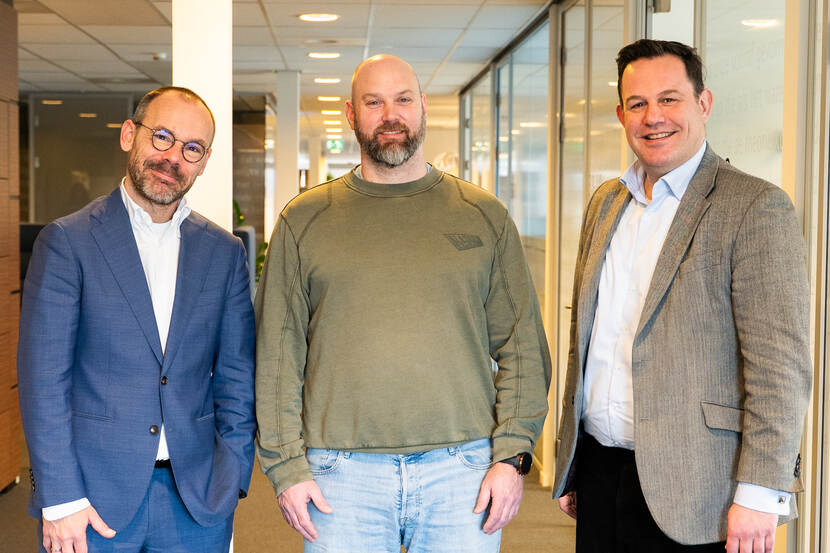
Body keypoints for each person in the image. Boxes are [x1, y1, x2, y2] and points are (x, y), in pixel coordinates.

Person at [254, 54, 551, 553]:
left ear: (423, 107)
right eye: (373, 102)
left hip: (463, 470)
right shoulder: (303, 221)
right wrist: (286, 465)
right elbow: (276, 359)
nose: (390, 114)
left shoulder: (484, 216)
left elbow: (523, 348)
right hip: (339, 474)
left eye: (403, 99)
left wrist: (511, 455)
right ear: (351, 114)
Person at [553, 39, 811, 553]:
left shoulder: (754, 207)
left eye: (669, 99)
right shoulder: (606, 203)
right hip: (601, 470)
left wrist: (761, 493)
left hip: (700, 487)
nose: (654, 117)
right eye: (638, 103)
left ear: (703, 103)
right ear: (621, 115)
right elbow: (590, 340)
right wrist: (573, 461)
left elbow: (779, 367)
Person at [18, 86, 256, 553]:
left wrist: (230, 479)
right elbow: (44, 381)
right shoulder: (67, 242)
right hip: (90, 504)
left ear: (204, 162)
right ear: (130, 135)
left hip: (196, 503)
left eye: (192, 148)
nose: (172, 158)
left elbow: (237, 380)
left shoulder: (224, 253)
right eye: (162, 137)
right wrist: (60, 498)